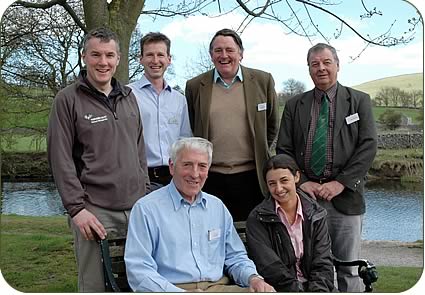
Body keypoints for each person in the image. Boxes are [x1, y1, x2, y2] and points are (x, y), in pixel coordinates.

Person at [47, 27, 150, 292]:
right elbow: (60, 159)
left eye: (109, 55)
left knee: (138, 281)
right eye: (95, 55)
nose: (103, 62)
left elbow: (139, 150)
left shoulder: (129, 97)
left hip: (137, 207)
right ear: (84, 56)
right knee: (95, 285)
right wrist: (77, 210)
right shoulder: (67, 100)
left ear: (118, 59)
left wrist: (145, 192)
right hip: (94, 210)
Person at [276, 43, 378, 292]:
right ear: (309, 69)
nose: (321, 68)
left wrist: (340, 183)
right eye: (315, 64)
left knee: (349, 270)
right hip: (305, 200)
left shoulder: (358, 101)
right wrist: (301, 183)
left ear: (337, 65)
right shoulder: (294, 105)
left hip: (346, 199)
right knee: (309, 267)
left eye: (326, 62)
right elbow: (284, 150)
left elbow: (368, 147)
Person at [124, 137, 276, 292]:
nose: (195, 174)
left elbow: (235, 258)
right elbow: (139, 270)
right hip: (171, 289)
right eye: (187, 165)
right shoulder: (146, 209)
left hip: (219, 287)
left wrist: (253, 278)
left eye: (202, 166)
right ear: (172, 166)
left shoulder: (217, 207)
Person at [185, 28, 279, 221]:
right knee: (211, 236)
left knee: (252, 238)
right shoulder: (195, 86)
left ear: (241, 53)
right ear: (211, 55)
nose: (224, 55)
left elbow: (271, 125)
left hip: (253, 177)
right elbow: (194, 126)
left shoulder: (263, 81)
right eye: (218, 50)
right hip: (210, 178)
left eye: (230, 50)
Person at [246, 154, 335, 292]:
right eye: (272, 184)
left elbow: (322, 262)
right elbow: (270, 267)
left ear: (296, 177)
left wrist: (318, 291)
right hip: (279, 289)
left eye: (284, 180)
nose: (279, 188)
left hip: (316, 288)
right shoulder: (257, 219)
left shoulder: (316, 213)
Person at [128, 32, 191, 186]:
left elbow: (184, 140)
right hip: (140, 177)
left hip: (174, 179)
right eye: (149, 55)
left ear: (169, 60)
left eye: (160, 55)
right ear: (141, 59)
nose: (155, 60)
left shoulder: (179, 99)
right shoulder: (128, 95)